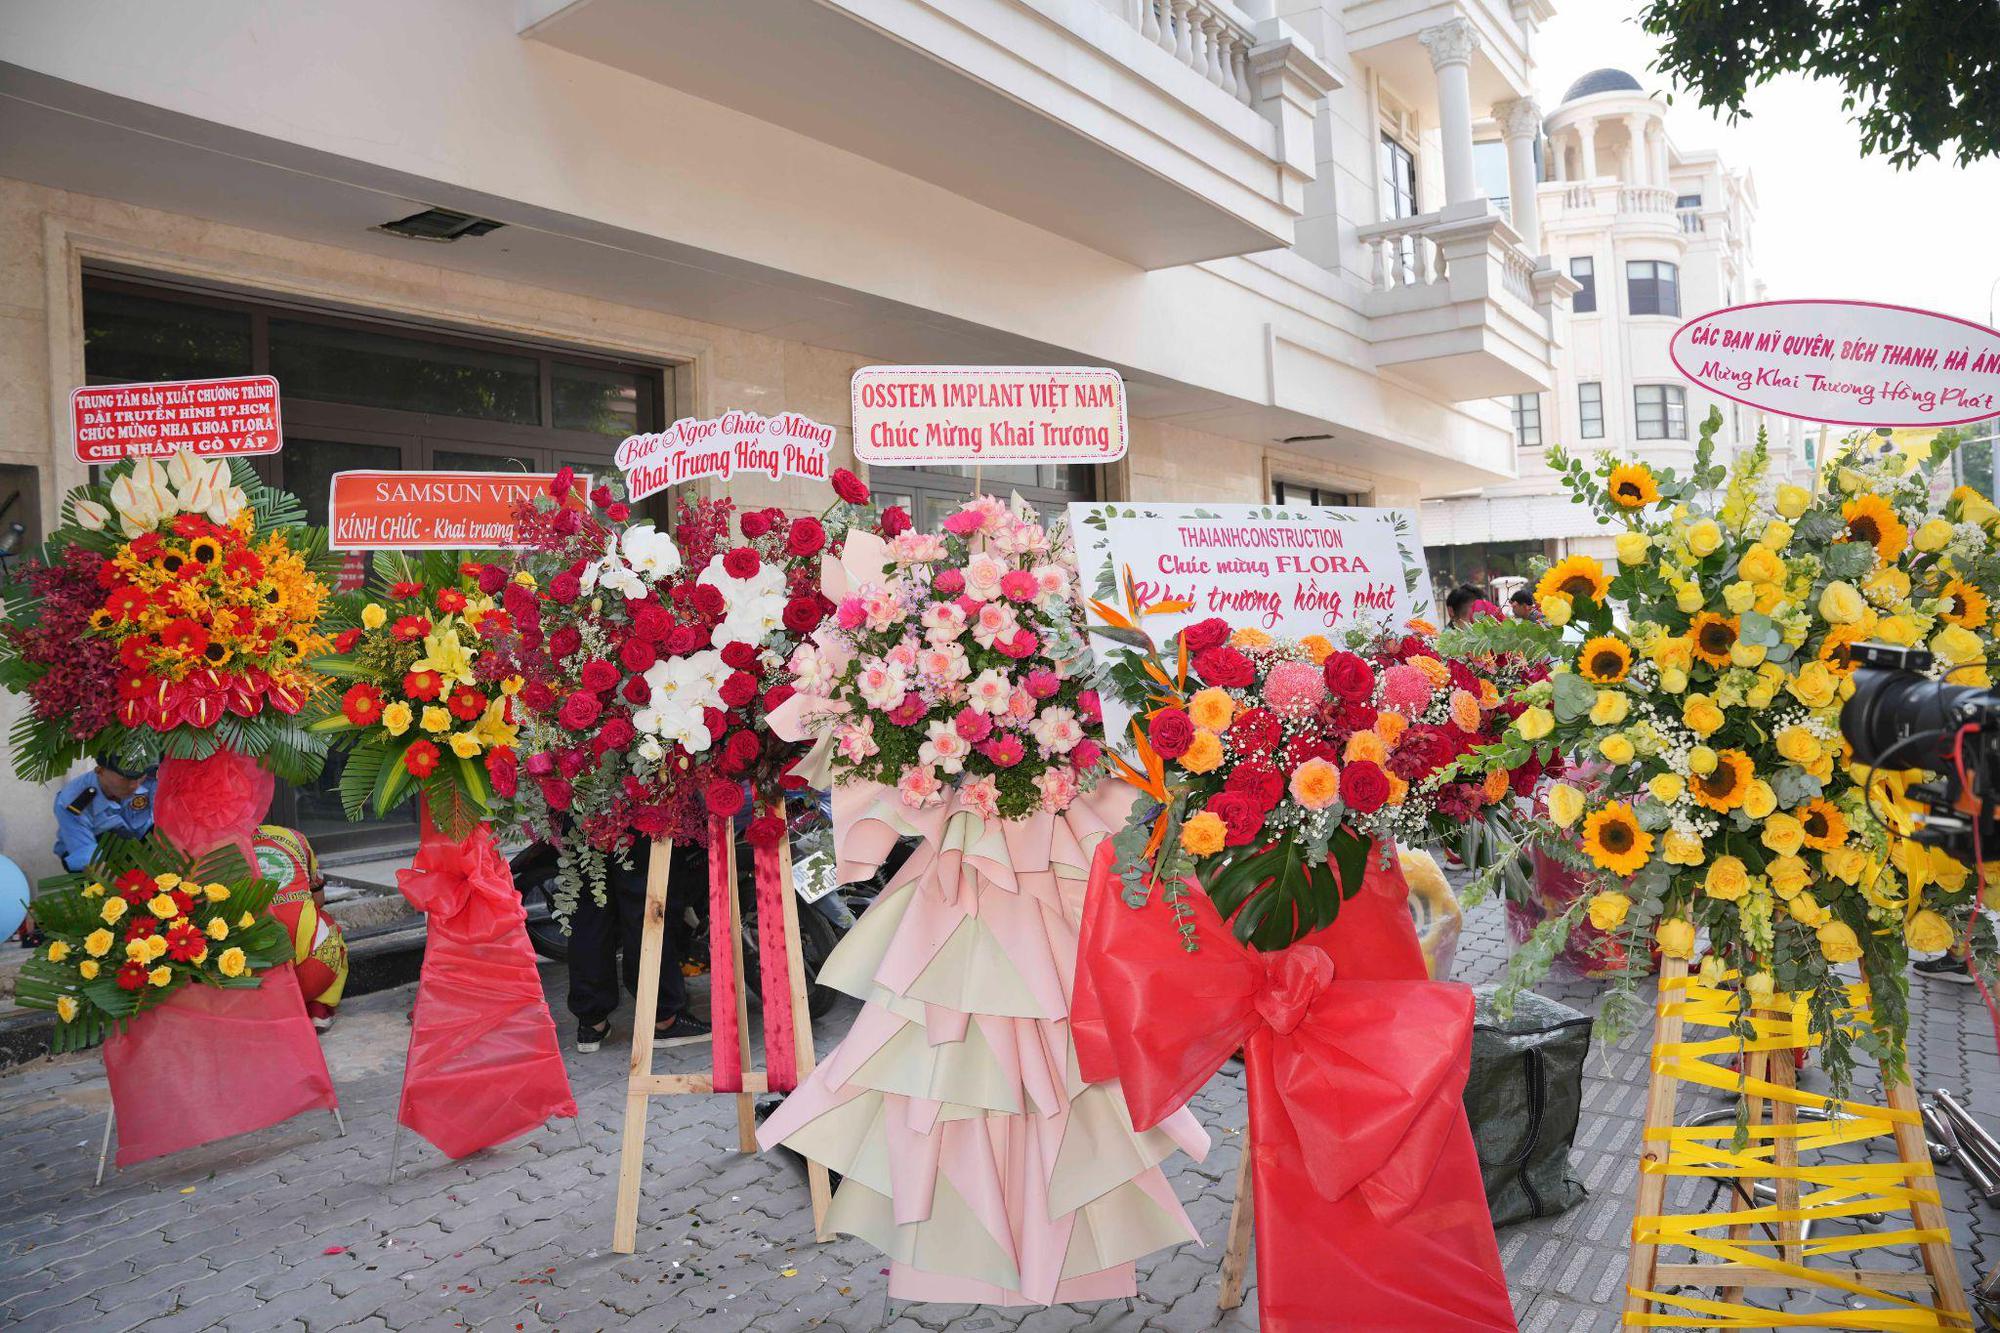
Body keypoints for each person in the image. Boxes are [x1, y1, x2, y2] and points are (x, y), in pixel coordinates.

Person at [569, 839, 711, 1052]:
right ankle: (663, 1017)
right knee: (645, 901)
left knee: (590, 909)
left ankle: (592, 1021)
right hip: (633, 814)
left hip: (581, 814)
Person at [251, 826, 349, 1031]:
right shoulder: (295, 838)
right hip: (312, 975)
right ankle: (319, 1007)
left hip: (250, 984)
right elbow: (318, 899)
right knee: (326, 922)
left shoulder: (216, 845)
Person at [52, 755, 156, 873]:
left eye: (139, 777)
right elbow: (86, 856)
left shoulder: (152, 777)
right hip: (94, 849)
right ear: (100, 771)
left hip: (138, 839)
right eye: (125, 778)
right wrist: (126, 888)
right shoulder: (73, 801)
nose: (134, 785)